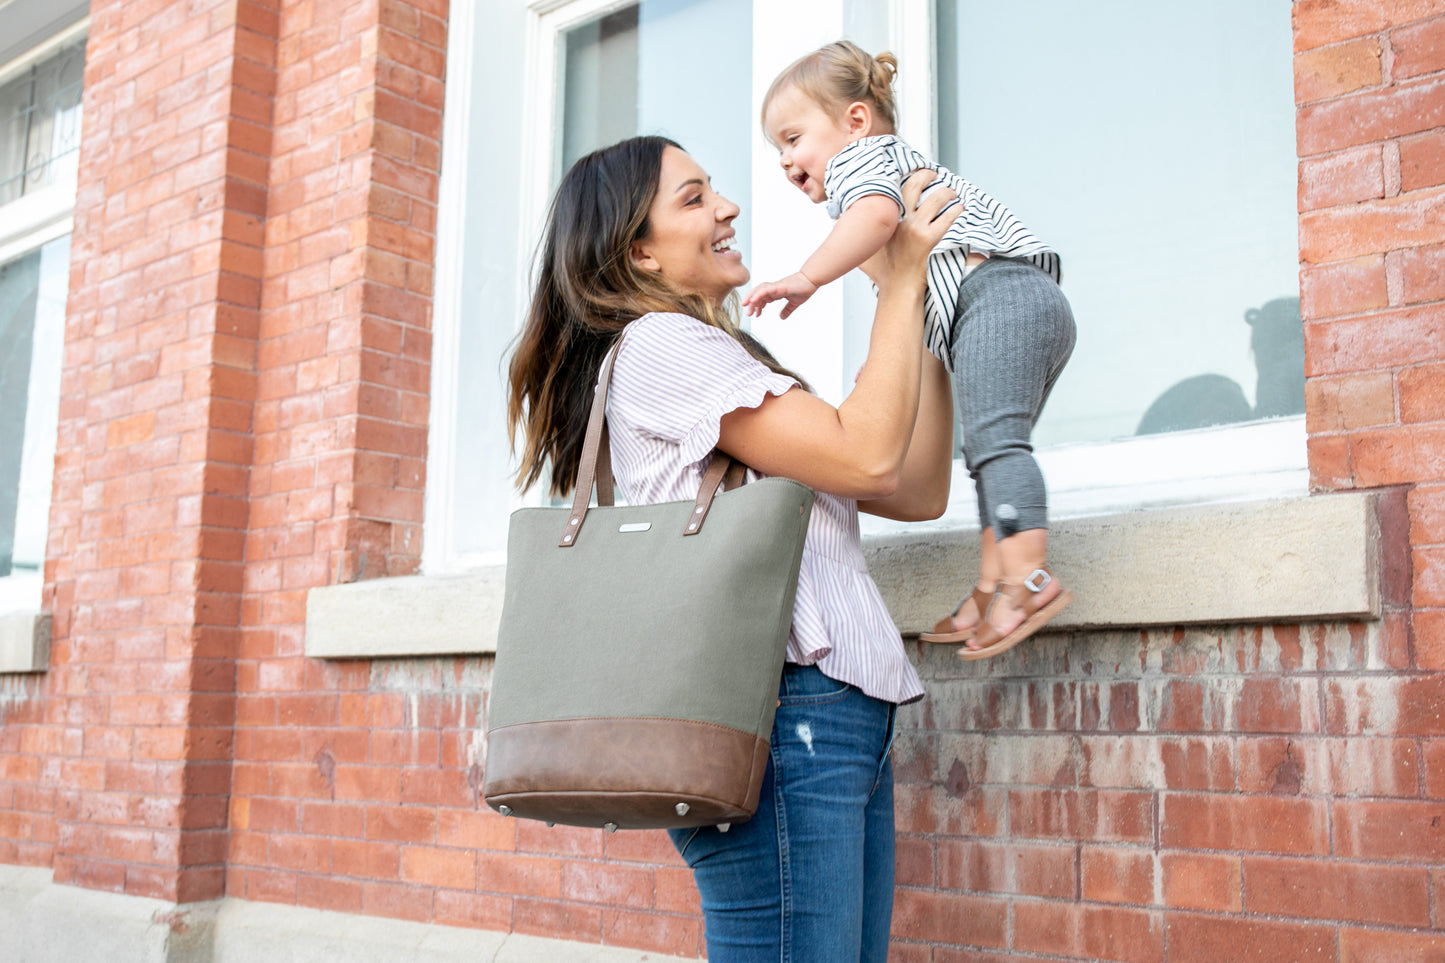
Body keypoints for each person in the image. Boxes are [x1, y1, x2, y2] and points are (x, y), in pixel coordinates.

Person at [507, 135, 957, 962]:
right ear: (637, 250)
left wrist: (924, 301)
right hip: (781, 714)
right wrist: (897, 282)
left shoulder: (723, 359)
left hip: (835, 712)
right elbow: (865, 452)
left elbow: (914, 485)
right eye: (692, 198)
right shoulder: (661, 347)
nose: (726, 208)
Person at [742, 41, 1078, 660]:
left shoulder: (860, 165)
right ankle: (993, 584)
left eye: (792, 138)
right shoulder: (879, 164)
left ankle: (1029, 580)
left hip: (998, 298)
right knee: (987, 447)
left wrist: (808, 277)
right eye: (778, 149)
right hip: (1006, 304)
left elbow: (870, 220)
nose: (786, 160)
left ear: (855, 120)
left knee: (994, 445)